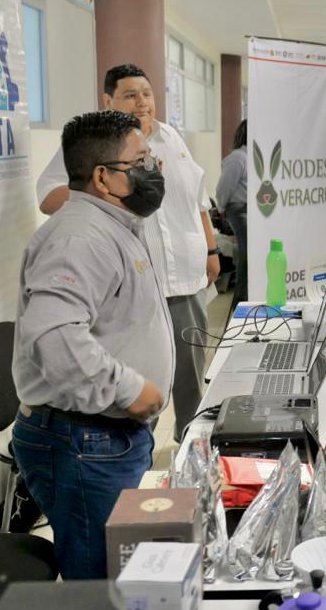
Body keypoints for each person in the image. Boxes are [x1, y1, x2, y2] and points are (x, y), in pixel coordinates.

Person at [11, 110, 174, 580]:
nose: (152, 170)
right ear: (103, 177)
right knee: (99, 581)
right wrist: (129, 388)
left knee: (117, 568)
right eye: (140, 162)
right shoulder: (79, 238)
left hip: (105, 436)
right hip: (83, 441)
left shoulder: (115, 225)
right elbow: (53, 335)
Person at [36, 64, 218, 442]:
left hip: (186, 281)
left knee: (190, 378)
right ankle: (132, 454)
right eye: (130, 95)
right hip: (135, 286)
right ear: (109, 100)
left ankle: (191, 448)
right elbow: (48, 196)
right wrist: (108, 186)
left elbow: (197, 200)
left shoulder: (171, 138)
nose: (142, 102)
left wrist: (211, 249)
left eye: (147, 94)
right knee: (140, 381)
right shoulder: (96, 144)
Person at [217, 119, 248, 301]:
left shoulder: (252, 156)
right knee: (247, 255)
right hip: (239, 209)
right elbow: (224, 187)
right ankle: (241, 300)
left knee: (250, 255)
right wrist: (221, 207)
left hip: (252, 210)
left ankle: (246, 297)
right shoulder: (238, 158)